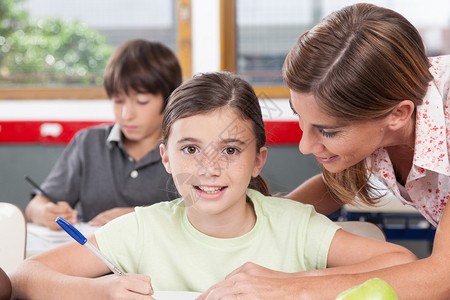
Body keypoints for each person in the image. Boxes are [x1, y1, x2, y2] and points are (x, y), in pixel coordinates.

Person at [10, 72, 416, 299]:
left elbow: (401, 263)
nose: (209, 168)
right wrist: (105, 291)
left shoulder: (294, 226)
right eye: (190, 149)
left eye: (230, 150)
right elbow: (27, 276)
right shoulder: (142, 229)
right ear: (166, 157)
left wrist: (293, 286)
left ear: (258, 158)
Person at [199, 3, 450, 299]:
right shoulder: (384, 107)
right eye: (299, 116)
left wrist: (286, 287)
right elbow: (337, 186)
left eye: (328, 131)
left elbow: (441, 278)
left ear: (398, 114)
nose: (305, 146)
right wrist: (262, 222)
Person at [25, 39, 182, 230]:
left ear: (169, 99)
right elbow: (34, 207)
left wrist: (138, 216)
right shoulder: (88, 143)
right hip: (95, 258)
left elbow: (204, 213)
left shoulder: (187, 148)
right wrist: (45, 212)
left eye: (141, 101)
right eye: (117, 101)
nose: (126, 115)